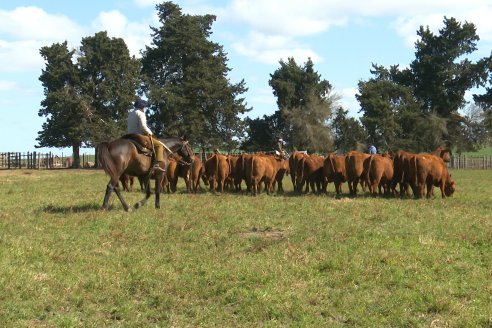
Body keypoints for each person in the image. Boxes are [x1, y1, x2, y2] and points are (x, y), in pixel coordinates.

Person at [127, 98, 165, 172]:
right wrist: (150, 133)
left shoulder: (131, 113)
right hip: (139, 136)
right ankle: (156, 165)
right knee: (159, 145)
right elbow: (143, 126)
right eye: (144, 107)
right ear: (142, 107)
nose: (144, 108)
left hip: (129, 136)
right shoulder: (141, 113)